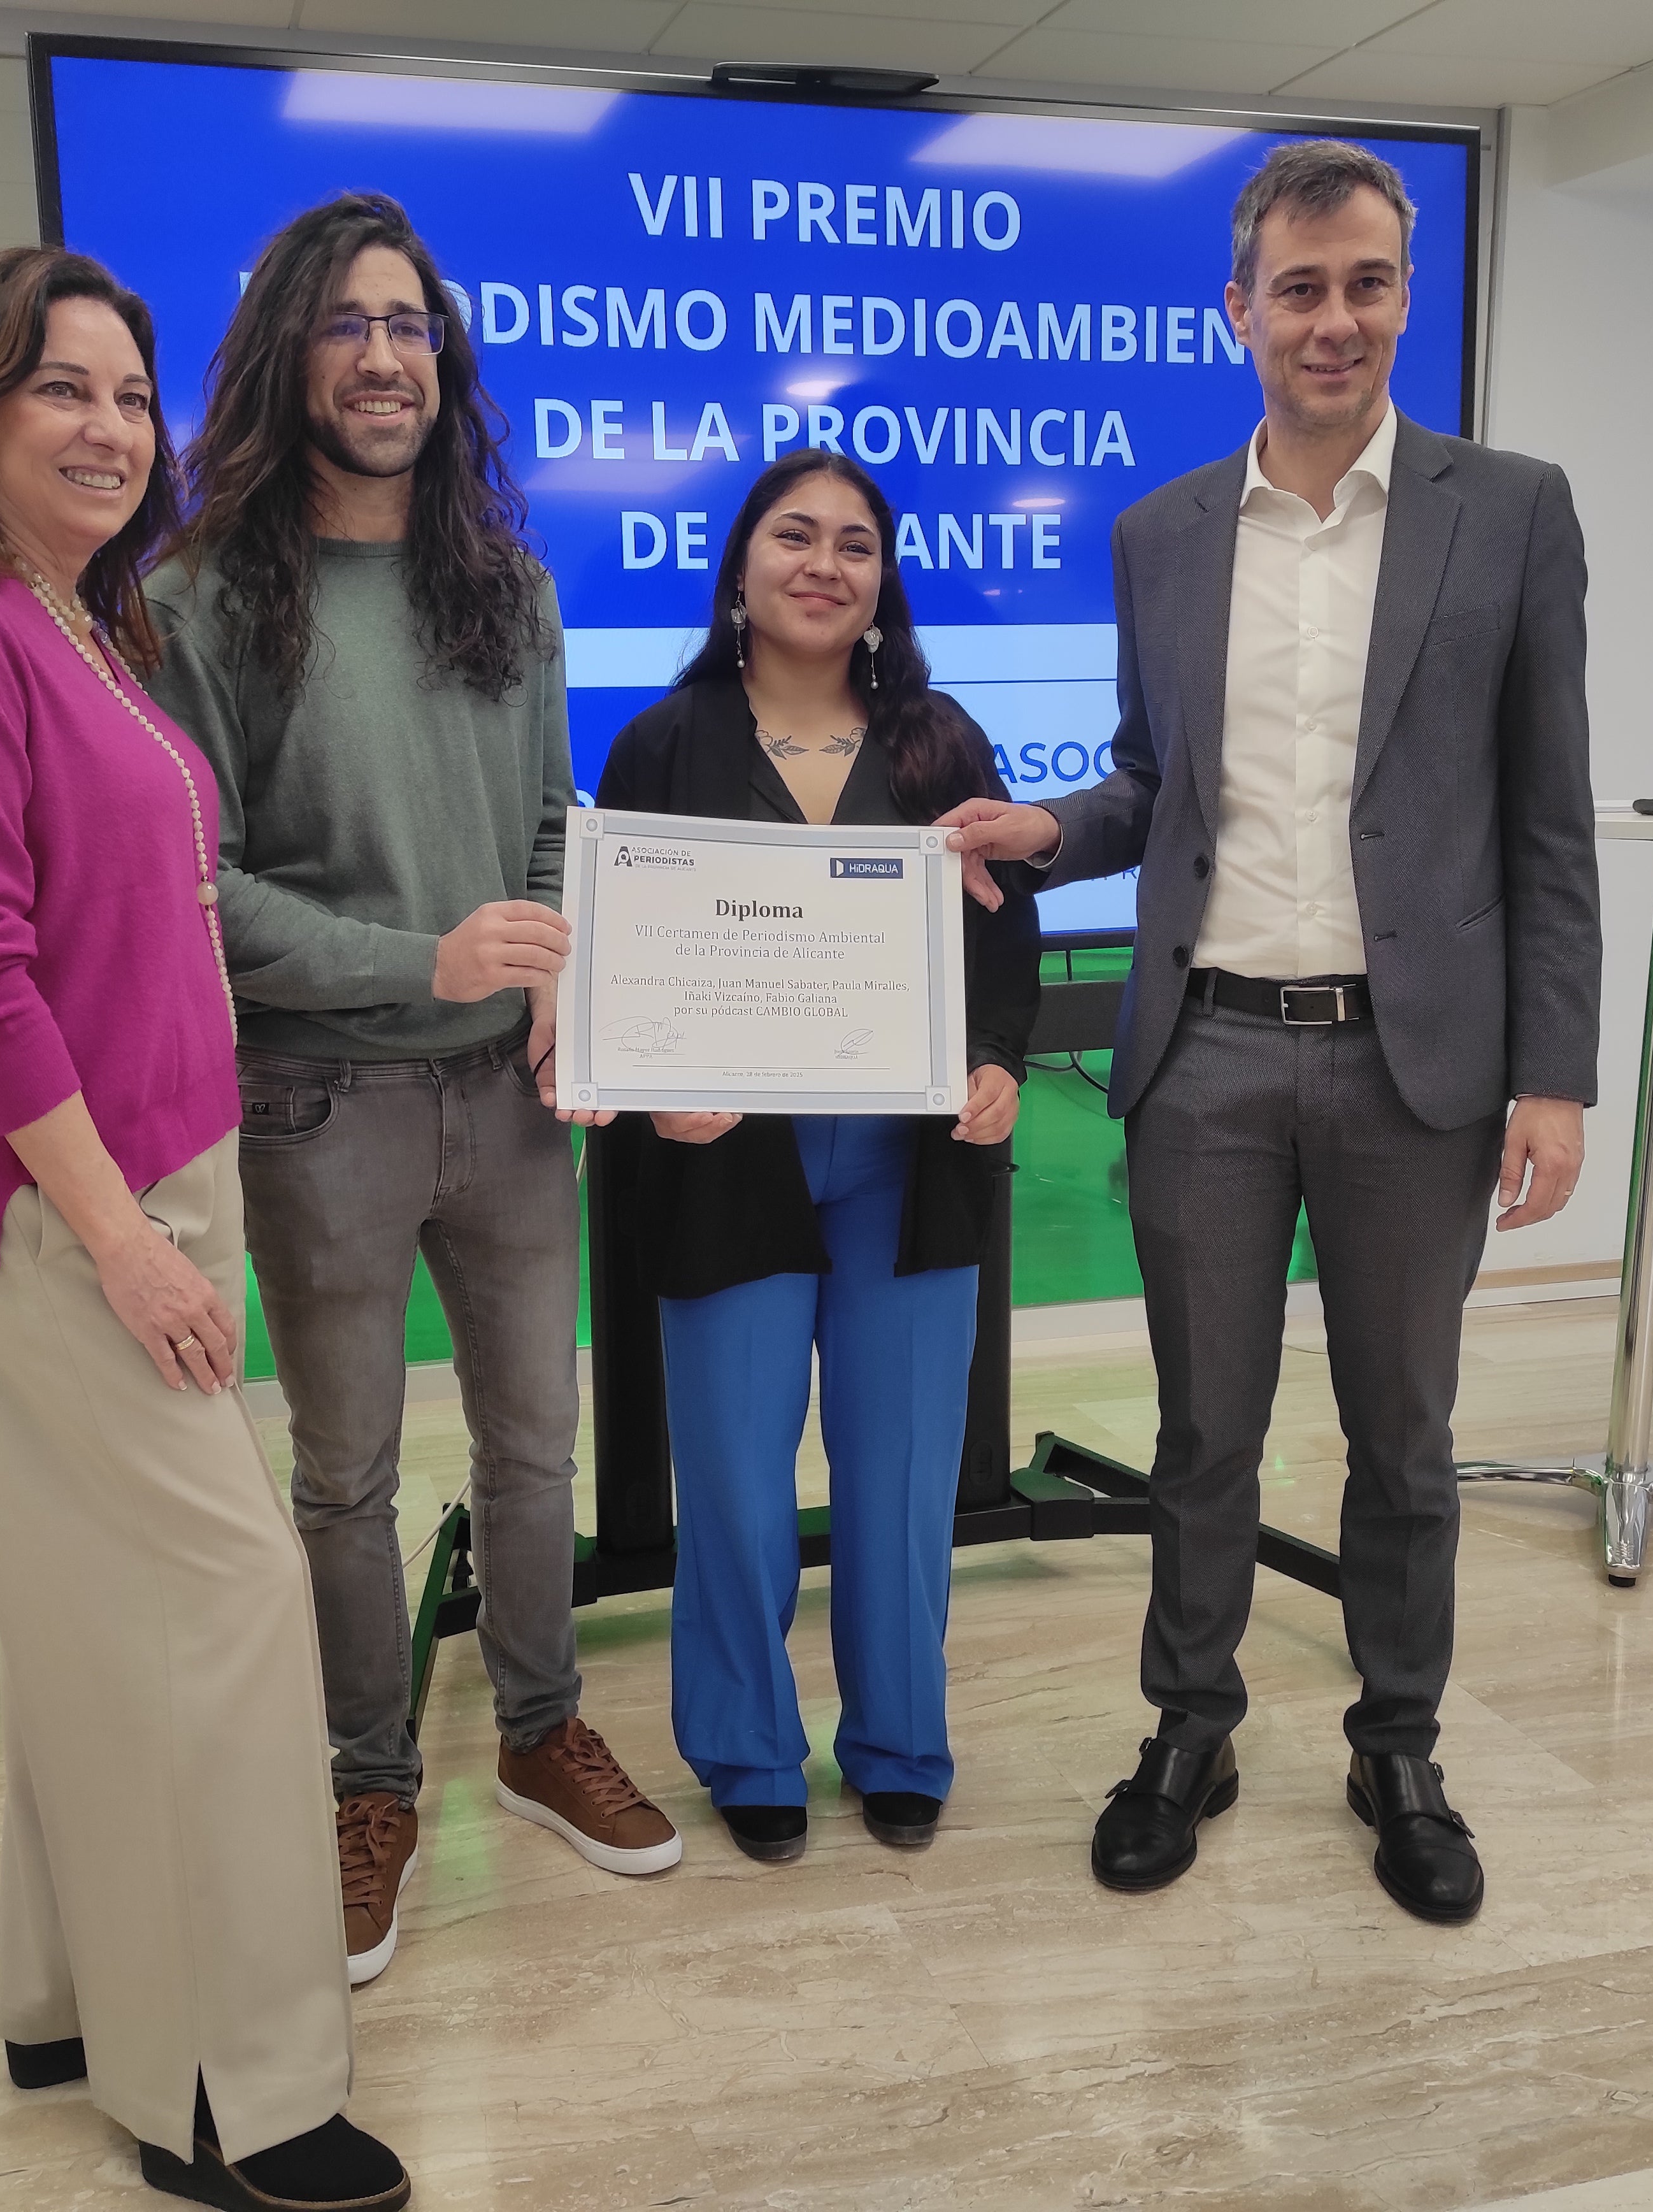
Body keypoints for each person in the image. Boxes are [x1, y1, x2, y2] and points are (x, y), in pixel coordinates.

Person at [945, 140, 1599, 1925]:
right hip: (1209, 1057)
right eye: (1297, 288)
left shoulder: (1512, 509)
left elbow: (1550, 813)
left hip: (1422, 1066)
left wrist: (1555, 1072)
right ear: (1237, 310)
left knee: (1404, 1438)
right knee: (1202, 1433)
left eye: (1367, 283)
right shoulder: (1161, 534)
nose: (1334, 320)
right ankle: (1191, 1725)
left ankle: (1400, 1743)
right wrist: (1045, 831)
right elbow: (1160, 786)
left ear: (1406, 294)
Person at [0, 247, 407, 2209]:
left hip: (148, 1180)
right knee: (218, 1616)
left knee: (98, 1610)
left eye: (130, 397)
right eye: (58, 388)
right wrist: (128, 1238)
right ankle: (224, 2097)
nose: (105, 428)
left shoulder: (82, 624)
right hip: (57, 1213)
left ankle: (65, 1990)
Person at [146, 192, 678, 1988]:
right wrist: (420, 966)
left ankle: (539, 1731)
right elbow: (198, 888)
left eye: (412, 326)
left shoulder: (505, 587)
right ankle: (369, 1783)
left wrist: (554, 987)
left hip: (518, 1108)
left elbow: (545, 820)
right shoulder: (197, 594)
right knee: (346, 1478)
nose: (387, 357)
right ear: (289, 353)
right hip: (319, 1106)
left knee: (538, 1450)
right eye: (349, 325)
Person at [594, 452, 1038, 1864]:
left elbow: (1001, 933)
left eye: (857, 543)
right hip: (726, 1166)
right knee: (730, 1472)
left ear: (880, 584)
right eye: (795, 534)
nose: (825, 562)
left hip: (912, 1168)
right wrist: (654, 1085)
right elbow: (621, 959)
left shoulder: (941, 744)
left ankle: (902, 1739)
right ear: (739, 567)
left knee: (903, 1474)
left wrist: (1001, 1067)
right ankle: (742, 1746)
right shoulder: (664, 743)